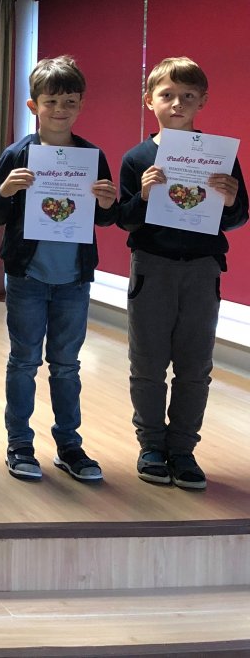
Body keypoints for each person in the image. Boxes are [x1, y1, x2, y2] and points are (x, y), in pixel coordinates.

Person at [0, 56, 118, 483]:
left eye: (69, 102)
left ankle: (69, 445)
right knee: (24, 361)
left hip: (74, 279)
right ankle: (19, 443)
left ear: (80, 105)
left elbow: (105, 219)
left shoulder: (92, 156)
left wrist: (107, 202)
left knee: (66, 365)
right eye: (51, 101)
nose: (60, 110)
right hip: (27, 276)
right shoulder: (18, 154)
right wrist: (6, 191)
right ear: (34, 106)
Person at [117, 57, 246, 491]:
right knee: (148, 363)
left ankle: (184, 449)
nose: (177, 103)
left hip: (202, 271)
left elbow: (237, 217)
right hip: (152, 269)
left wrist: (230, 201)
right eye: (167, 95)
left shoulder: (219, 156)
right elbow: (124, 220)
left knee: (195, 365)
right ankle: (152, 446)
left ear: (202, 102)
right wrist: (143, 195)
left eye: (188, 96)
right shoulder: (137, 158)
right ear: (149, 100)